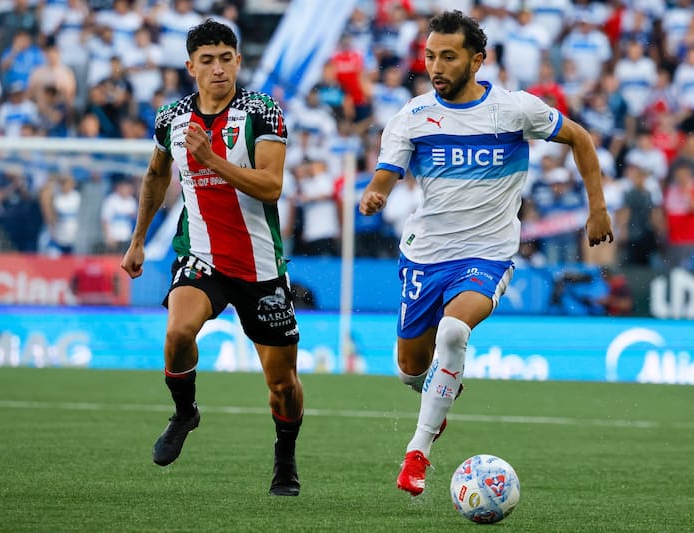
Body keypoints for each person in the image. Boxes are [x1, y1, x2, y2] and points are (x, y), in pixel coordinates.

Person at [359, 10, 613, 497]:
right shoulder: (413, 116)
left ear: (477, 60)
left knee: (454, 331)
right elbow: (386, 173)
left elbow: (580, 137)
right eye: (430, 56)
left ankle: (417, 452)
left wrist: (597, 208)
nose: (436, 66)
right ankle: (440, 388)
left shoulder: (514, 110)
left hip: (488, 253)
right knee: (411, 370)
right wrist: (376, 194)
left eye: (448, 57)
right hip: (426, 255)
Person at [120, 19, 304, 497]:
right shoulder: (171, 118)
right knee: (178, 332)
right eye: (208, 60)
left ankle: (285, 459)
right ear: (191, 67)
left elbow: (271, 185)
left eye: (226, 58)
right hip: (201, 255)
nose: (218, 68)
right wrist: (138, 240)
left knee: (282, 384)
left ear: (238, 61)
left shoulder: (262, 112)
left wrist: (212, 161)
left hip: (260, 266)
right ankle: (185, 412)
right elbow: (156, 175)